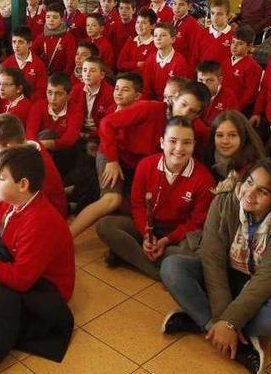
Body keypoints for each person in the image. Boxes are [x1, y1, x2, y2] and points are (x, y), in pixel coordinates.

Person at [160, 158, 271, 374]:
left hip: (258, 287)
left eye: (262, 191)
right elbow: (212, 261)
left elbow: (265, 282)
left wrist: (231, 322)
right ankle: (224, 334)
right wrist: (224, 321)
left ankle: (201, 322)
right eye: (249, 182)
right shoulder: (223, 203)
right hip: (223, 275)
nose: (249, 193)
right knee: (172, 266)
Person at [0, 145, 75, 374]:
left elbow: (22, 280)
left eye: (1, 179)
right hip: (19, 264)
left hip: (45, 289)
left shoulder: (40, 222)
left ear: (23, 185)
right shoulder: (11, 202)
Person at [96, 116, 215, 279]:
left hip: (178, 234)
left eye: (186, 142)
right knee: (105, 225)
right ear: (162, 142)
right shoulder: (146, 165)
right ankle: (158, 272)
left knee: (188, 254)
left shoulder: (204, 178)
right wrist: (147, 235)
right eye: (172, 141)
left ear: (194, 145)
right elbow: (138, 206)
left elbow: (197, 222)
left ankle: (131, 256)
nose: (179, 148)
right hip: (149, 226)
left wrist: (166, 240)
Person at [68, 72, 142, 237]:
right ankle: (67, 236)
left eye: (125, 90)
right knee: (112, 199)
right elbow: (106, 140)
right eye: (116, 89)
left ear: (137, 96)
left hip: (127, 160)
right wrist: (112, 160)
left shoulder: (140, 113)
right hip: (108, 155)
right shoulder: (111, 110)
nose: (118, 93)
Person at [25, 72, 84, 178]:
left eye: (58, 94)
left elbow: (69, 140)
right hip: (39, 153)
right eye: (50, 92)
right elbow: (30, 134)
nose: (52, 98)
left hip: (65, 154)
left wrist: (42, 144)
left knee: (49, 134)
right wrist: (40, 145)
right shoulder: (38, 106)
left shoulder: (76, 110)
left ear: (69, 95)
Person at [202, 110, 266, 183]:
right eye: (220, 135)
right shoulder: (208, 158)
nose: (225, 141)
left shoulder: (252, 170)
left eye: (232, 135)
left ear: (243, 137)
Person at [143, 22, 194, 100]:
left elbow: (182, 92)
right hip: (153, 102)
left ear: (173, 39)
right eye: (155, 35)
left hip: (173, 102)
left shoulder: (180, 62)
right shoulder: (150, 60)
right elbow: (146, 89)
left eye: (163, 35)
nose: (158, 38)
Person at [223, 26, 263, 114]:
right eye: (233, 42)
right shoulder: (225, 62)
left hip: (237, 110)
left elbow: (250, 95)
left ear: (250, 46)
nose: (234, 46)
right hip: (222, 105)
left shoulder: (254, 67)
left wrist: (235, 108)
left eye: (240, 44)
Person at [1, 26, 47, 100]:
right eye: (14, 42)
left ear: (29, 44)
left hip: (31, 104)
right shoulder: (5, 65)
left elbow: (41, 90)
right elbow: (2, 90)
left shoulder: (39, 64)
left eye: (20, 42)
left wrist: (26, 102)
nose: (16, 46)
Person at [33, 3, 77, 75]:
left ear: (62, 19)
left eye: (55, 17)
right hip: (43, 75)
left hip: (61, 78)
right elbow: (32, 55)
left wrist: (63, 77)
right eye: (48, 17)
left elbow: (71, 62)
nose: (51, 20)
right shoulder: (41, 37)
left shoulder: (68, 38)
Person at [171, 0, 206, 68]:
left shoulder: (193, 25)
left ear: (189, 6)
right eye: (174, 4)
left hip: (183, 66)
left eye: (181, 5)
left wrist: (189, 70)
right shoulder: (168, 20)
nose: (177, 8)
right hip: (168, 64)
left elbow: (194, 52)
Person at [197, 61, 239, 125]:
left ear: (220, 80)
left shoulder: (229, 98)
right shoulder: (194, 93)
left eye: (209, 80)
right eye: (200, 80)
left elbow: (230, 126)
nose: (204, 85)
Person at [118, 8, 156, 74]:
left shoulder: (155, 45)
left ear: (152, 26)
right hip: (126, 78)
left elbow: (146, 69)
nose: (139, 26)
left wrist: (128, 65)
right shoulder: (131, 41)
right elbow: (120, 64)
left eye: (144, 23)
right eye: (138, 22)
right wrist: (137, 64)